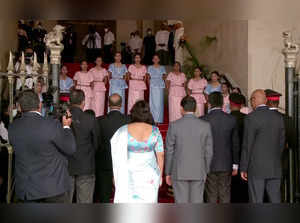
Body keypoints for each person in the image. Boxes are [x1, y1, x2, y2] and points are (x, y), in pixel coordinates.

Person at [8, 90, 76, 203]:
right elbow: (70, 148)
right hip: (52, 190)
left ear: (19, 107)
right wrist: (66, 127)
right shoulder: (51, 124)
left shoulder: (13, 128)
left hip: (27, 191)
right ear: (40, 105)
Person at [111, 100, 164, 203]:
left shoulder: (123, 130)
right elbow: (160, 155)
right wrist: (160, 175)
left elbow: (117, 155)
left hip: (129, 172)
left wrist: (115, 175)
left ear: (133, 113)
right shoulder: (155, 131)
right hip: (150, 173)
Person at [165, 96, 213, 203]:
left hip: (179, 171)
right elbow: (208, 151)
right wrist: (206, 170)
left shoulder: (174, 126)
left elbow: (169, 151)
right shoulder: (205, 126)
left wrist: (168, 172)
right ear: (196, 109)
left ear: (181, 108)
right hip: (199, 170)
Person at [240, 89, 285, 203]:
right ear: (265, 100)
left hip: (256, 168)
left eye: (251, 100)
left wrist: (244, 167)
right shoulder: (278, 117)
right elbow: (281, 142)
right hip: (275, 166)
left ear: (254, 100)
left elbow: (247, 144)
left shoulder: (251, 117)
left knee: (256, 202)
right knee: (275, 201)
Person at [201, 92, 240, 203]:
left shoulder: (203, 119)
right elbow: (235, 143)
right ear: (223, 103)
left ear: (209, 103)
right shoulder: (231, 119)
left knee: (211, 194)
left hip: (208, 163)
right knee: (225, 194)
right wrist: (235, 164)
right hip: (226, 162)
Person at [95, 94, 130, 203]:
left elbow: (96, 141)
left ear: (108, 104)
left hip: (104, 162)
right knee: (124, 196)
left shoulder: (100, 120)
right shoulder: (128, 120)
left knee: (104, 197)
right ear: (121, 104)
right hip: (124, 162)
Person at [264, 89, 296, 201]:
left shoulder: (259, 118)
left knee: (263, 192)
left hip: (262, 162)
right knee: (278, 191)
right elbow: (293, 142)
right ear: (277, 102)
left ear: (266, 101)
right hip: (281, 161)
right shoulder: (287, 119)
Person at [68, 89, 98, 203]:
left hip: (66, 165)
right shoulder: (90, 118)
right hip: (85, 165)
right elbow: (96, 142)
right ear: (83, 102)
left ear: (70, 101)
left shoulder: (62, 117)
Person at [229, 93, 248, 203]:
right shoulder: (247, 119)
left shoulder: (226, 119)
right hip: (244, 156)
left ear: (230, 104)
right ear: (241, 105)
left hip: (229, 157)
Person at [147, 55, 166, 124]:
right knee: (152, 102)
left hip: (160, 85)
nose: (155, 59)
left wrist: (164, 83)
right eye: (154, 58)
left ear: (159, 59)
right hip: (152, 85)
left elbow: (164, 76)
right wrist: (149, 83)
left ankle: (159, 119)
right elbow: (148, 76)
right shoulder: (150, 67)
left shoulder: (162, 67)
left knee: (159, 103)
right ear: (152, 60)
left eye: (157, 58)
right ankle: (153, 119)